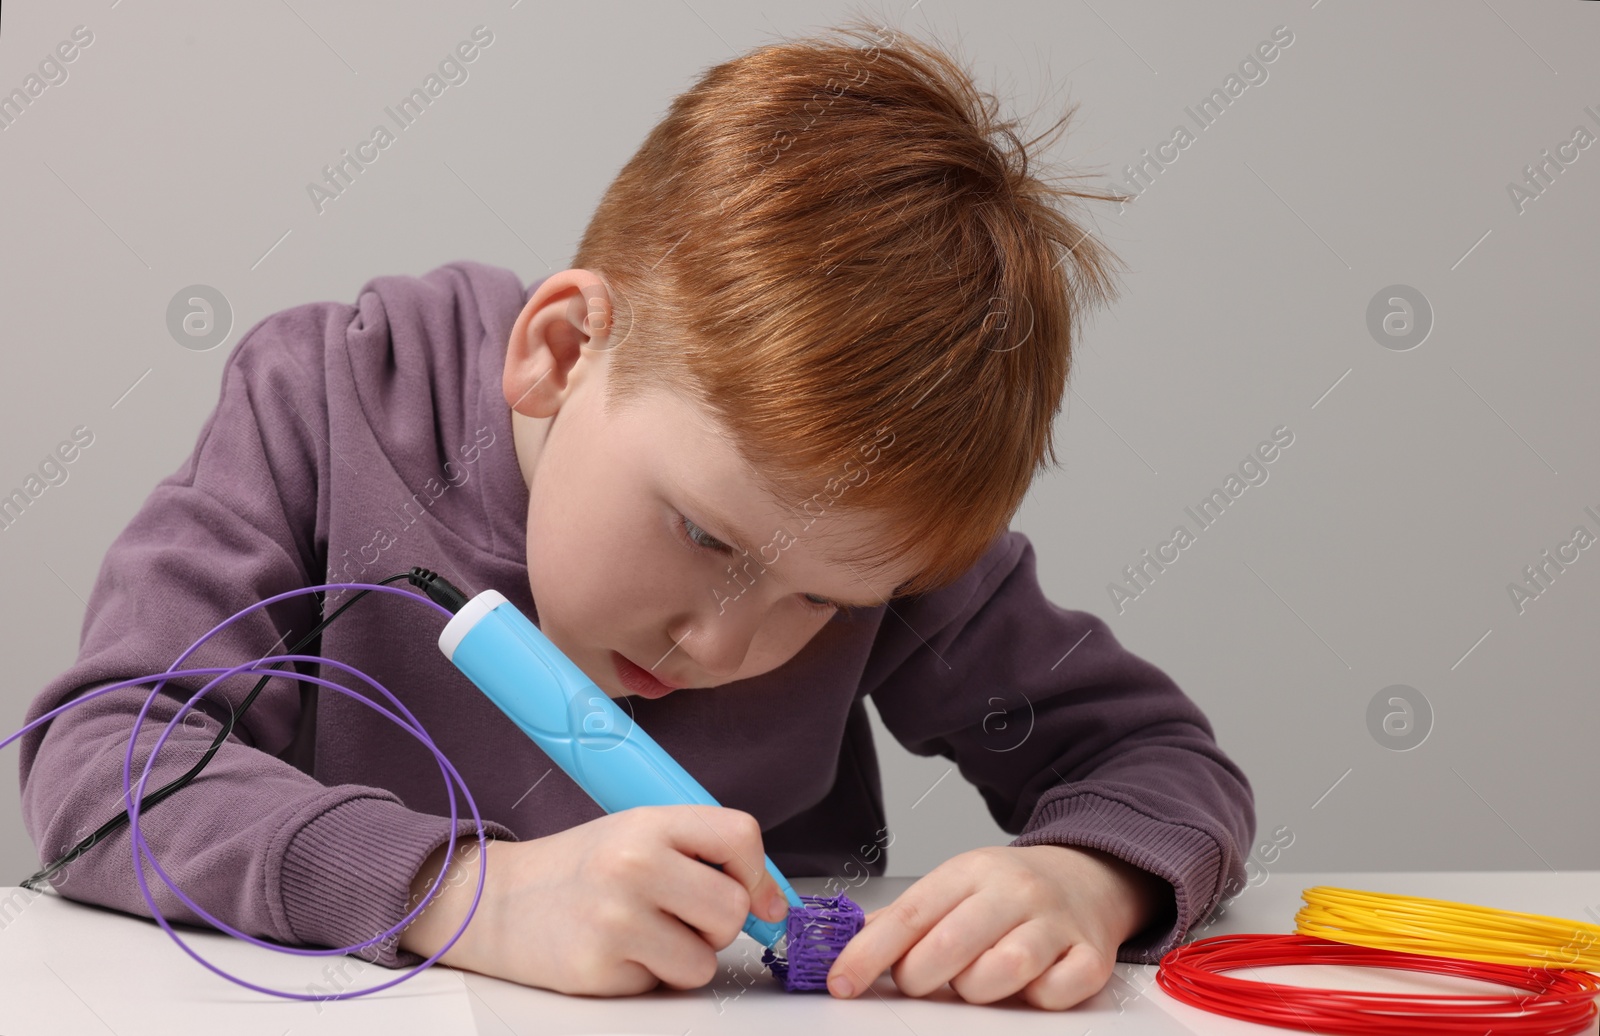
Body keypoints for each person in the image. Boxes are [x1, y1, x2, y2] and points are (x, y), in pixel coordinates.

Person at [17, 19, 1254, 1010]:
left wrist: (1085, 882)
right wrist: (467, 897)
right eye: (705, 537)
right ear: (560, 351)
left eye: (820, 600)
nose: (721, 645)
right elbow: (103, 768)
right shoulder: (328, 402)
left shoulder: (879, 527)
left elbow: (1158, 767)